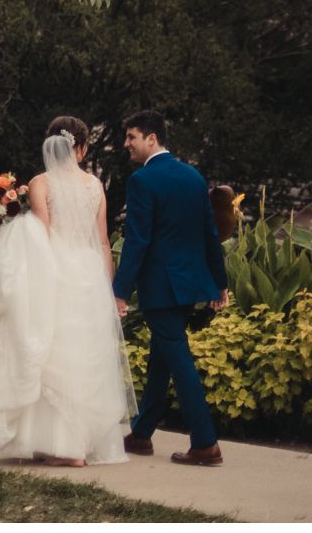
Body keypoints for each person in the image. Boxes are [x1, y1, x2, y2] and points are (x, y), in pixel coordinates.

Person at [0, 116, 136, 466]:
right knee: (83, 356)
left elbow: (40, 234)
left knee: (50, 355)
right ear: (82, 148)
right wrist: (109, 287)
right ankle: (78, 444)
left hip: (54, 271)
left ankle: (63, 447)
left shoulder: (41, 183)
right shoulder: (94, 185)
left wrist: (2, 226)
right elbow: (102, 240)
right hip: (88, 273)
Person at [112, 108, 230, 466]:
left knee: (179, 361)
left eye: (131, 137)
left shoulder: (142, 181)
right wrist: (218, 283)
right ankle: (142, 433)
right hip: (188, 285)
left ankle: (205, 443)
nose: (126, 145)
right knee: (162, 358)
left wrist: (119, 290)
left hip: (161, 288)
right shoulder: (194, 177)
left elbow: (137, 242)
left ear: (152, 138)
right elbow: (210, 235)